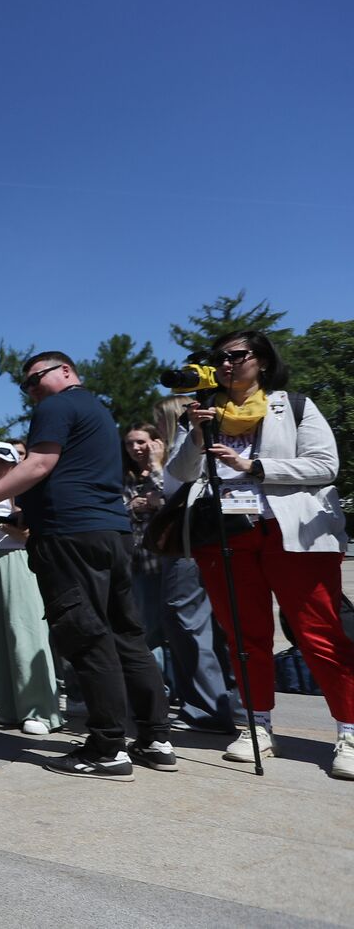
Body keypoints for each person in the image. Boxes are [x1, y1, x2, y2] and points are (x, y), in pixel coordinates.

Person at [0, 351, 173, 782]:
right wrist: (30, 511)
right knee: (126, 634)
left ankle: (107, 747)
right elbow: (73, 474)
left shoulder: (56, 406)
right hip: (109, 533)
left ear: (66, 372)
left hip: (71, 537)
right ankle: (154, 738)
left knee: (87, 636)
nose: (32, 390)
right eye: (27, 386)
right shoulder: (98, 411)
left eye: (36, 379)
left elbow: (40, 463)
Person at [165, 330, 354, 779]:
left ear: (263, 362)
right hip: (226, 533)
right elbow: (178, 477)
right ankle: (257, 727)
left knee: (319, 633)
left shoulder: (294, 406)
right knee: (244, 638)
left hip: (293, 533)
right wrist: (195, 433)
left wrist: (255, 467)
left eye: (237, 356)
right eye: (219, 358)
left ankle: (348, 730)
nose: (227, 364)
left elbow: (325, 465)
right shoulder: (203, 411)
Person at [151, 395, 235, 733]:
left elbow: (176, 485)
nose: (155, 426)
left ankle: (206, 709)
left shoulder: (189, 441)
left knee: (185, 620)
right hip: (206, 538)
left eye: (158, 419)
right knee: (213, 624)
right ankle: (228, 704)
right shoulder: (196, 440)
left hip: (191, 541)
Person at [0, 442, 60, 735]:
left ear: (14, 466)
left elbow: (26, 531)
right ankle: (9, 707)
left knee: (25, 632)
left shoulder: (19, 492)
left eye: (0, 462)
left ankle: (41, 710)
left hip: (17, 559)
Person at [122, 424, 173, 690]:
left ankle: (176, 687)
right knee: (148, 627)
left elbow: (171, 499)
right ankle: (158, 686)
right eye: (130, 444)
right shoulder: (126, 476)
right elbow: (118, 508)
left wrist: (155, 465)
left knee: (176, 627)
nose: (135, 449)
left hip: (168, 557)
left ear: (156, 442)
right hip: (138, 560)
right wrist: (132, 506)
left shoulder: (167, 469)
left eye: (140, 442)